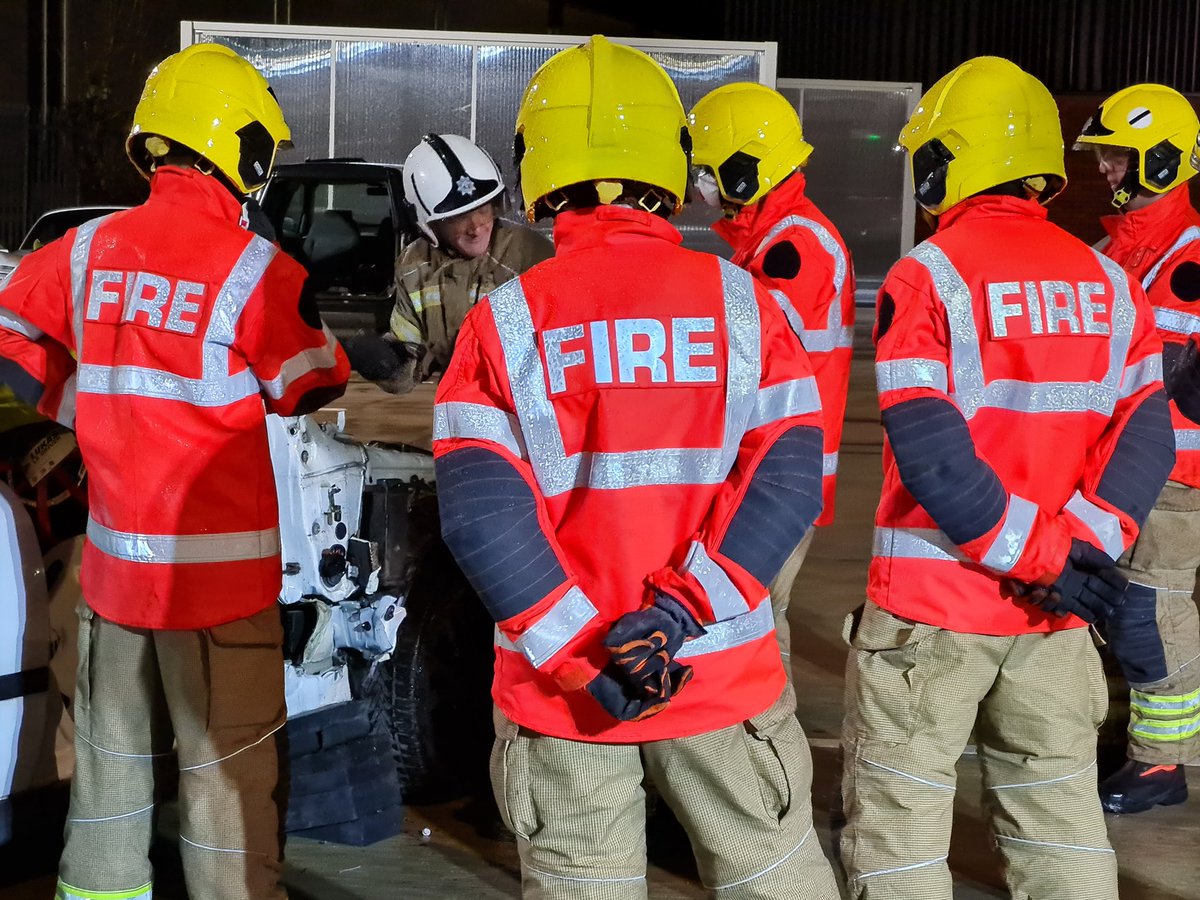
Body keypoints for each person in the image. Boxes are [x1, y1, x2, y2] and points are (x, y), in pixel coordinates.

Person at [432, 34, 840, 900]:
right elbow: (786, 480)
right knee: (776, 880)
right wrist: (679, 617)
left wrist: (588, 653)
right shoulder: (745, 302)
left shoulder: (504, 321)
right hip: (717, 673)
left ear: (538, 168)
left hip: (568, 696)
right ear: (669, 160)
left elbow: (480, 515)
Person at [0, 43, 350, 900]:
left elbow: (10, 340)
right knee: (223, 789)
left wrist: (87, 408)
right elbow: (316, 378)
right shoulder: (255, 269)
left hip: (116, 582)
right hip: (221, 594)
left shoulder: (86, 250)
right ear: (242, 151)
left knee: (109, 788)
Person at [839, 56, 1175, 899]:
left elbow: (930, 448)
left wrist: (1040, 556)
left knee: (902, 834)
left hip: (937, 609)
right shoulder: (1108, 280)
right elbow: (1145, 438)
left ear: (954, 160)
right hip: (1058, 618)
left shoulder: (931, 275)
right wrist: (1079, 552)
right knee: (1058, 822)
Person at [688, 82, 855, 661]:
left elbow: (748, 356)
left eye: (710, 171)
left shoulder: (794, 246)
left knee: (751, 616)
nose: (702, 186)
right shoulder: (771, 239)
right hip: (780, 464)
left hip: (776, 469)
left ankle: (763, 733)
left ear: (746, 169)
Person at [1074, 83, 1200, 814]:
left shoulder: (1186, 255)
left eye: (1121, 157)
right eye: (1107, 156)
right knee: (1117, 609)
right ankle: (1132, 738)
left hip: (1172, 476)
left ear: (1162, 160)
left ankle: (1162, 763)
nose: (1107, 170)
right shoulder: (1118, 248)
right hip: (1120, 469)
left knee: (1153, 609)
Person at [350, 133, 552, 394]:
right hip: (462, 408)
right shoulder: (414, 266)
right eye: (458, 217)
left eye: (483, 208)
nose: (476, 227)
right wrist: (390, 364)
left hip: (530, 408)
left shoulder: (533, 255)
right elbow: (412, 355)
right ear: (428, 223)